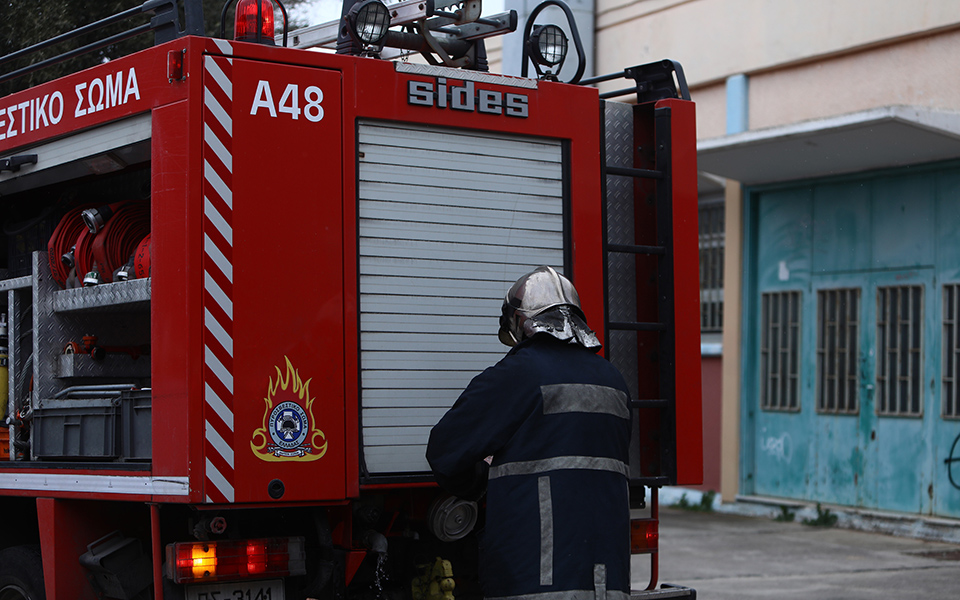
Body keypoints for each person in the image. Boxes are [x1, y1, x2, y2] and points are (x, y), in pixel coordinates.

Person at [426, 266, 632, 600]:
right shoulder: (614, 381)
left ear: (523, 321)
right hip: (607, 582)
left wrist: (480, 482)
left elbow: (445, 453)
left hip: (535, 580)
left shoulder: (518, 375)